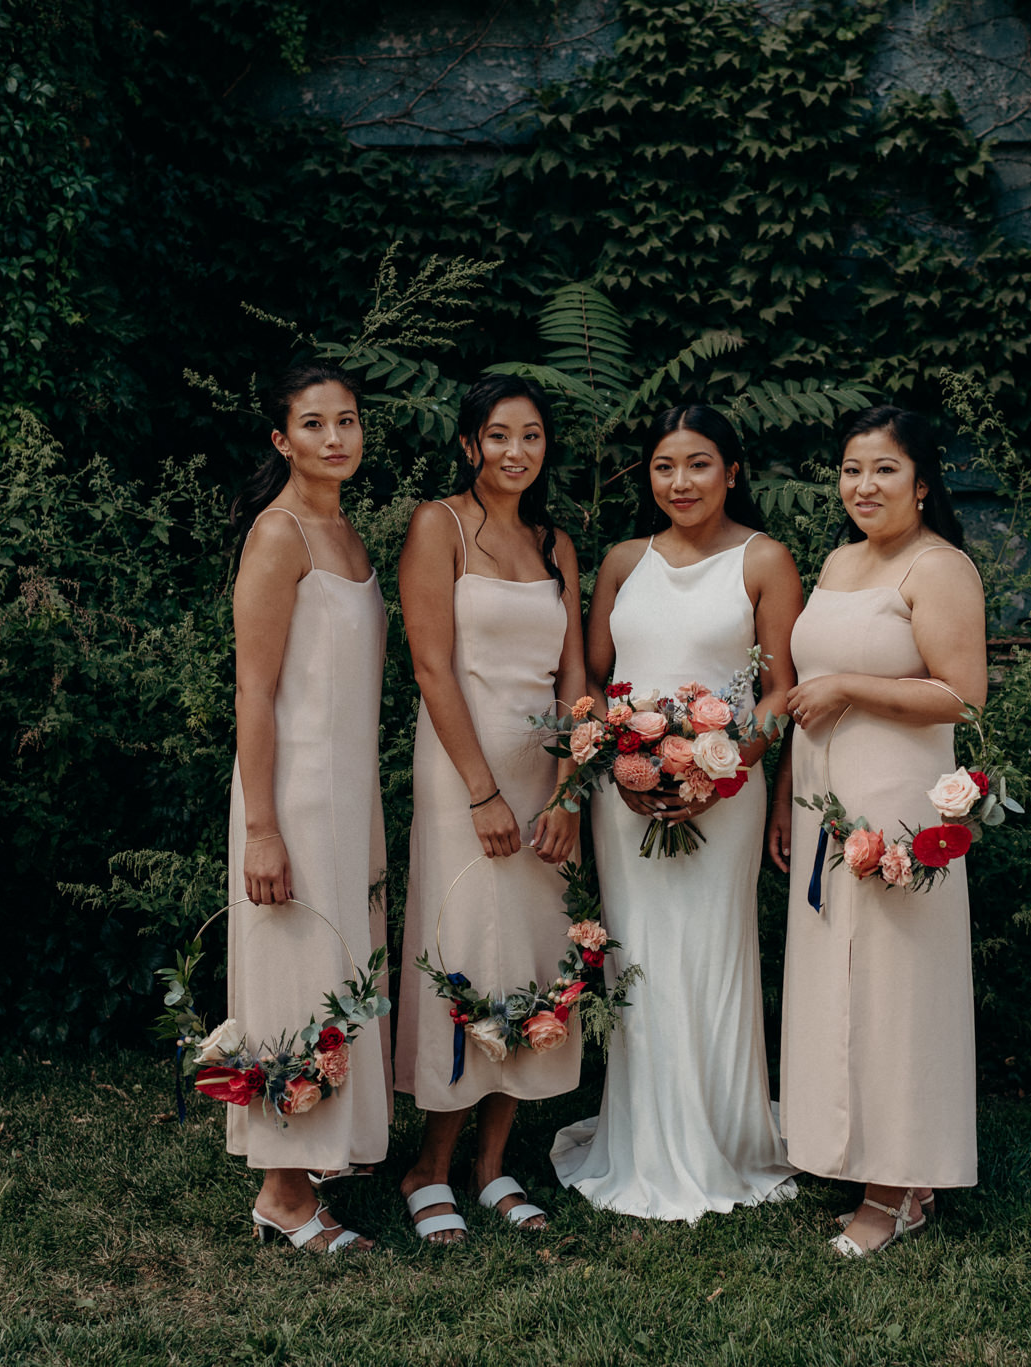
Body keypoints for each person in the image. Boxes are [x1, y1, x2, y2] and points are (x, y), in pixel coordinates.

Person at [550, 403, 803, 1221]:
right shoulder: (624, 560)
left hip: (727, 791)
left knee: (712, 954)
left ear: (733, 470)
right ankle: (645, 1139)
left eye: (699, 463)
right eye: (664, 465)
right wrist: (617, 760)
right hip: (625, 791)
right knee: (643, 959)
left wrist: (719, 772)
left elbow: (776, 696)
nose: (681, 481)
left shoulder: (765, 560)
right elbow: (592, 676)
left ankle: (723, 1137)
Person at [767, 405, 987, 1257]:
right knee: (841, 984)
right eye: (853, 468)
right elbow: (806, 690)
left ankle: (892, 1190)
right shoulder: (837, 560)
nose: (864, 485)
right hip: (823, 796)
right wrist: (790, 784)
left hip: (897, 805)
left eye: (885, 469)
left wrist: (855, 686)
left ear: (923, 483)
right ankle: (869, 1156)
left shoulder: (940, 568)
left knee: (896, 993)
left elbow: (962, 694)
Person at [392, 376, 588, 1245]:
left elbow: (575, 681)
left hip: (544, 777)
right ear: (470, 443)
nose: (516, 451)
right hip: (461, 771)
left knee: (537, 962)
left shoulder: (556, 543)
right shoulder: (439, 526)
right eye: (499, 435)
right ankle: (427, 1166)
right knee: (467, 950)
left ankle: (492, 1164)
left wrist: (569, 792)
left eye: (533, 436)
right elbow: (432, 666)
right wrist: (481, 790)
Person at [227, 362, 390, 1253]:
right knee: (296, 978)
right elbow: (255, 689)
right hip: (288, 792)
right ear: (281, 439)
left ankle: (319, 1156)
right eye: (315, 423)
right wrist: (261, 825)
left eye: (349, 421)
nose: (336, 438)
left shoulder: (350, 535)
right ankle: (283, 1195)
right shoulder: (279, 535)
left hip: (347, 793)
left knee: (340, 970)